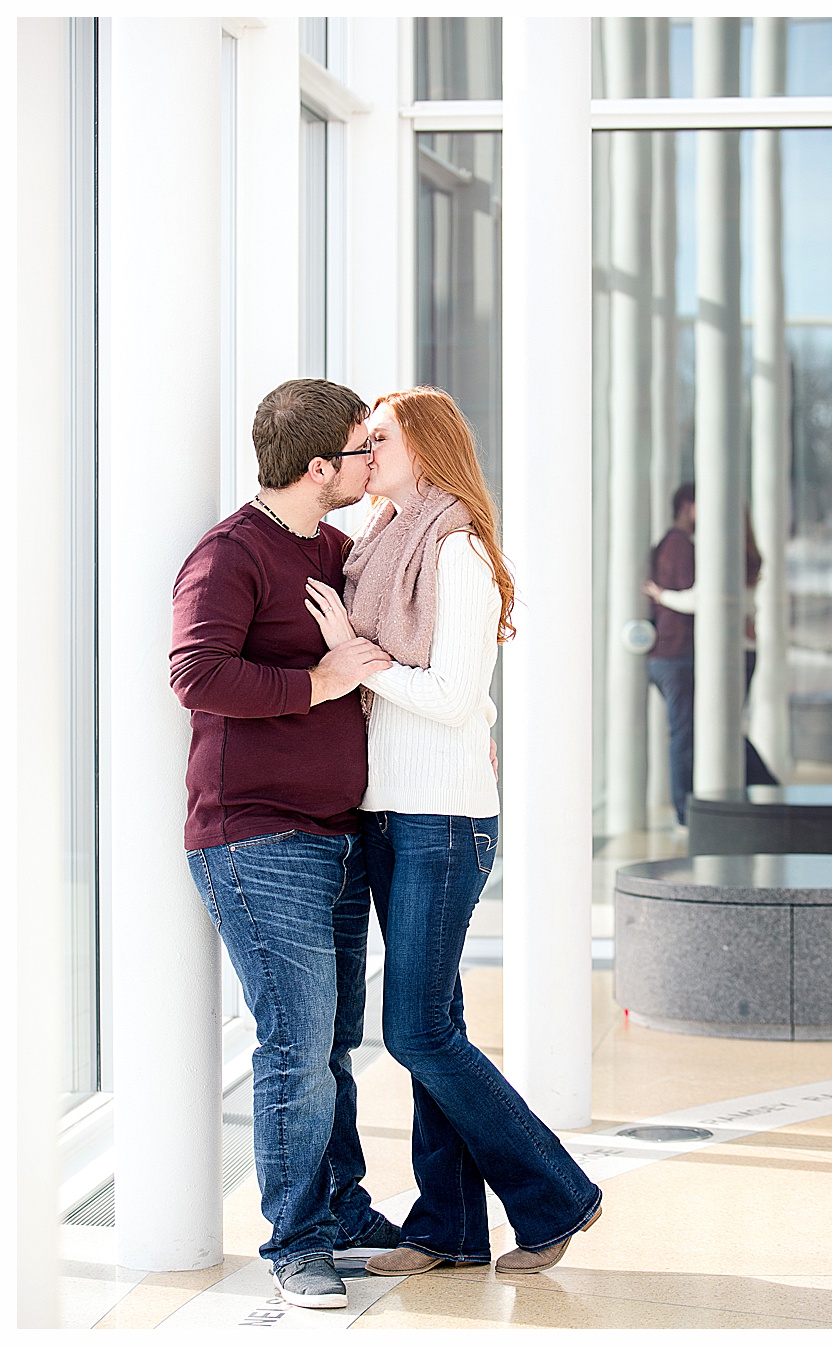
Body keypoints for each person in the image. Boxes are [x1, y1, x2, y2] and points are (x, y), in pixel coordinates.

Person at [304, 386, 604, 1277]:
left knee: (418, 1033)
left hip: (443, 821)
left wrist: (362, 660)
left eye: (380, 440)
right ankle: (449, 1228)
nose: (365, 454)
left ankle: (556, 1196)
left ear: (425, 450)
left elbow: (454, 696)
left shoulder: (457, 550)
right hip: (391, 818)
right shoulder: (376, 550)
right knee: (438, 1020)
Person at [172, 378, 403, 1310]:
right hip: (256, 836)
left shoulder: (337, 548)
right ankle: (297, 1242)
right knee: (296, 1045)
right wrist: (320, 681)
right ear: (320, 467)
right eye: (361, 450)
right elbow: (195, 674)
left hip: (340, 835)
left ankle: (341, 1212)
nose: (370, 464)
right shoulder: (229, 555)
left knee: (337, 1040)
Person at [643, 483, 778, 827]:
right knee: (721, 728)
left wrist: (662, 596)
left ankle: (762, 796)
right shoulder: (739, 548)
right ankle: (765, 794)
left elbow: (706, 599)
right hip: (739, 650)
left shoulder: (723, 550)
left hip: (733, 651)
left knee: (717, 729)